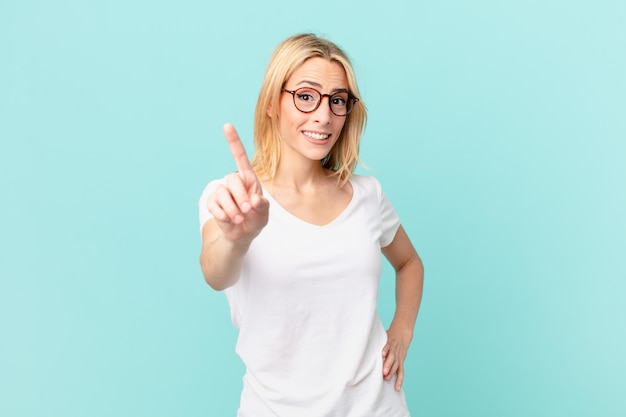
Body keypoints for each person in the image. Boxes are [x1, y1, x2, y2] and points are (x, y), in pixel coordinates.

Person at [198, 33, 424, 417]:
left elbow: (409, 264)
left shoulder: (367, 196)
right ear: (272, 103)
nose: (324, 115)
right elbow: (216, 274)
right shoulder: (232, 196)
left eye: (337, 100)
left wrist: (402, 330)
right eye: (306, 95)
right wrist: (239, 237)